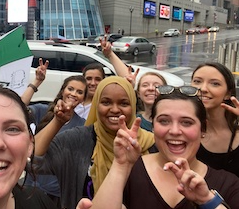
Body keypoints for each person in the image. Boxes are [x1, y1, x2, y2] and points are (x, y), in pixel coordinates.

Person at [77, 88, 239, 209]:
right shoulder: (130, 172)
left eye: (186, 122)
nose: (174, 131)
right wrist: (121, 165)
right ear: (152, 127)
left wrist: (207, 201)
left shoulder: (228, 184)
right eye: (164, 121)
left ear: (203, 129)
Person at [33, 76, 155, 209]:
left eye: (124, 103)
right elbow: (32, 161)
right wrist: (58, 122)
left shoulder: (151, 144)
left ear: (133, 106)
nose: (114, 109)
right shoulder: (77, 140)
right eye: (106, 102)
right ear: (96, 104)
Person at [25, 75, 87, 207]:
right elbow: (19, 106)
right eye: (70, 89)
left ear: (83, 99)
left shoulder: (83, 126)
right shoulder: (42, 111)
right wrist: (36, 82)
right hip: (30, 187)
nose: (74, 94)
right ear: (63, 90)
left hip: (57, 194)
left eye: (80, 92)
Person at [190, 62, 239, 177]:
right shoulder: (182, 131)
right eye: (197, 81)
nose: (203, 88)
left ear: (228, 94)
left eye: (215, 84)